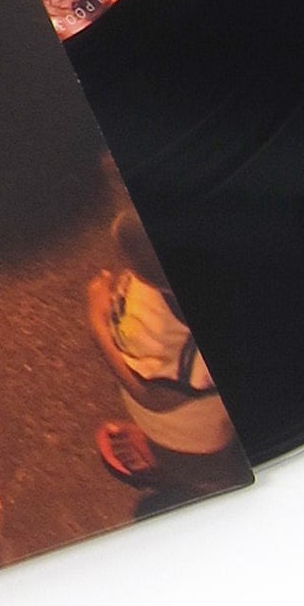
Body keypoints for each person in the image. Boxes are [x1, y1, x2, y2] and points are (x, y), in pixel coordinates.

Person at [86, 212, 240, 511]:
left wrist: (98, 325)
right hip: (191, 400)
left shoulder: (186, 353)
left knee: (203, 464)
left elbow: (153, 397)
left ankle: (214, 487)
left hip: (192, 431)